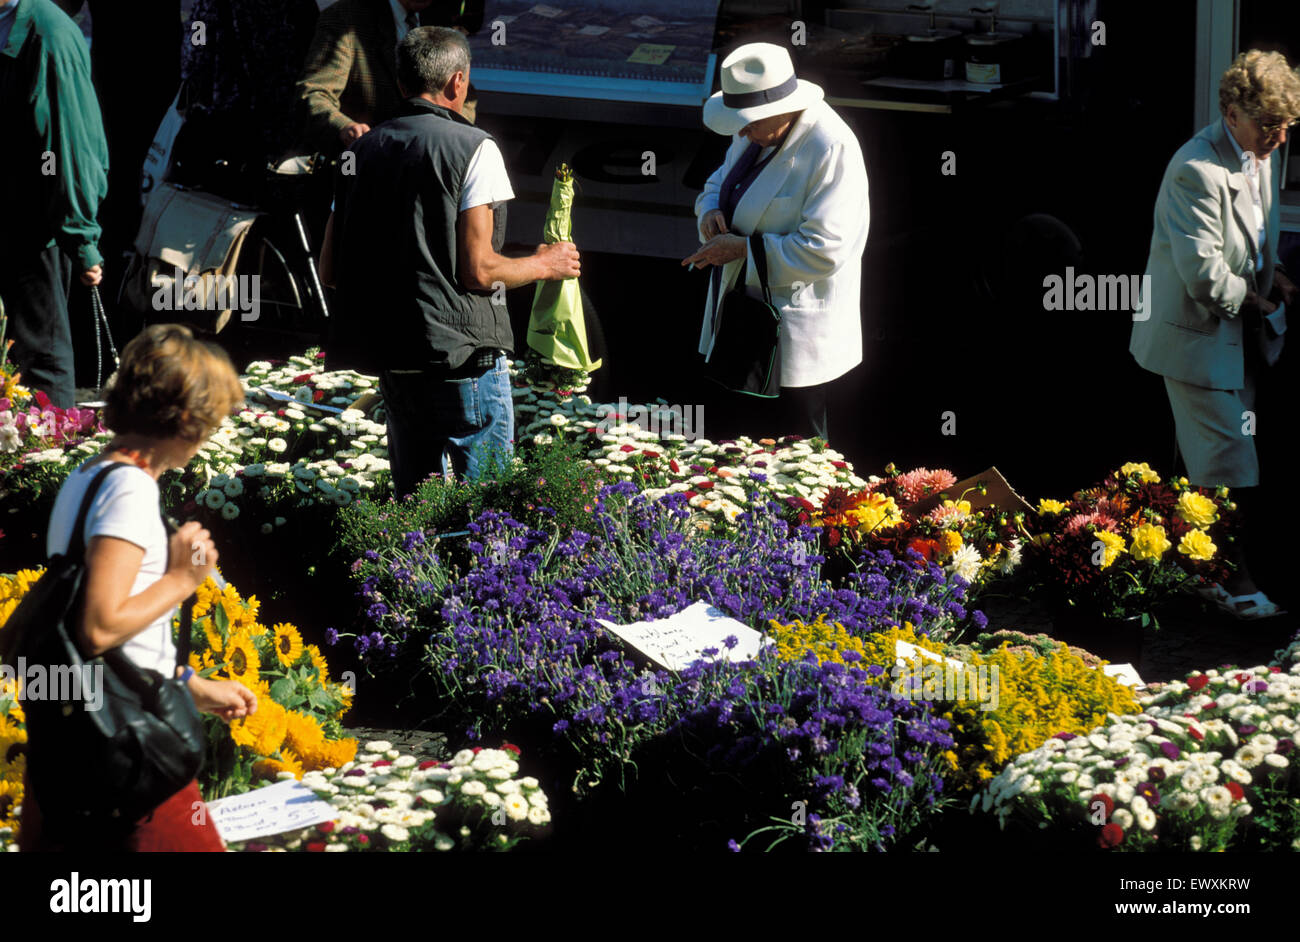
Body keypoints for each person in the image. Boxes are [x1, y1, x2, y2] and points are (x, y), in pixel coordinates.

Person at [18, 323, 256, 851]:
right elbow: (99, 627)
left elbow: (105, 639)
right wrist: (182, 578)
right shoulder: (129, 489)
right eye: (213, 417)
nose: (214, 429)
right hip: (126, 748)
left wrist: (194, 689)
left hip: (79, 735)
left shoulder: (91, 474)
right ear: (188, 419)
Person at [320, 26, 578, 496]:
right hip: (463, 362)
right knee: (486, 515)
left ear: (400, 85)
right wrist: (547, 263)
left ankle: (416, 574)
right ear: (458, 83)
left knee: (417, 517)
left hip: (395, 360)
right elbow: (479, 272)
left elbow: (330, 271)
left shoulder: (359, 151)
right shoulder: (476, 147)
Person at [1130, 49, 1300, 621]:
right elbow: (1204, 275)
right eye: (1267, 125)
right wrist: (1258, 299)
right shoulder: (1193, 168)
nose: (1277, 138)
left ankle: (1184, 571)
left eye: (1285, 127)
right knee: (1226, 460)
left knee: (1204, 462)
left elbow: (1248, 234)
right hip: (1194, 338)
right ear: (1231, 111)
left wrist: (1269, 269)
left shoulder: (1260, 153)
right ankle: (1229, 581)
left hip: (1235, 336)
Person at [684, 42, 869, 443]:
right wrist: (711, 212)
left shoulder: (830, 145)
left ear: (779, 110)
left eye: (748, 122)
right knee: (740, 445)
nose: (741, 131)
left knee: (797, 453)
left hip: (795, 331)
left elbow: (825, 247)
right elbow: (718, 182)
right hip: (742, 322)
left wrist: (742, 250)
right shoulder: (756, 131)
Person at [0, 0, 108, 408]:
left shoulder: (48, 34)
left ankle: (52, 466)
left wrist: (82, 239)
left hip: (32, 233)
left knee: (41, 360)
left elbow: (67, 146)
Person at [296, 0, 484, 155]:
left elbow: (463, 91)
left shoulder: (439, 19)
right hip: (364, 166)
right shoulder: (347, 18)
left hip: (426, 162)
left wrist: (448, 133)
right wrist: (344, 128)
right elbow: (314, 93)